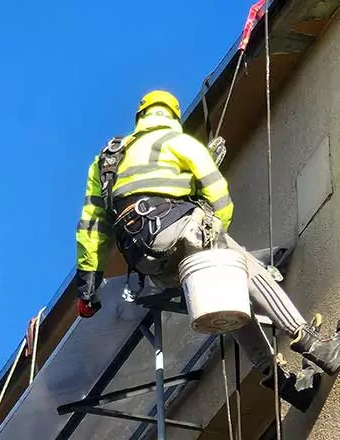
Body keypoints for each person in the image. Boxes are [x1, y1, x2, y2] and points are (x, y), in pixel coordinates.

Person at [75, 89, 340, 409]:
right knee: (241, 268)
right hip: (176, 230)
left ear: (139, 118)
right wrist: (217, 224)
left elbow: (92, 224)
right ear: (173, 115)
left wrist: (88, 284)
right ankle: (314, 345)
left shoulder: (108, 159)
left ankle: (283, 381)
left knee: (228, 300)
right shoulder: (179, 142)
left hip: (146, 260)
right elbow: (217, 193)